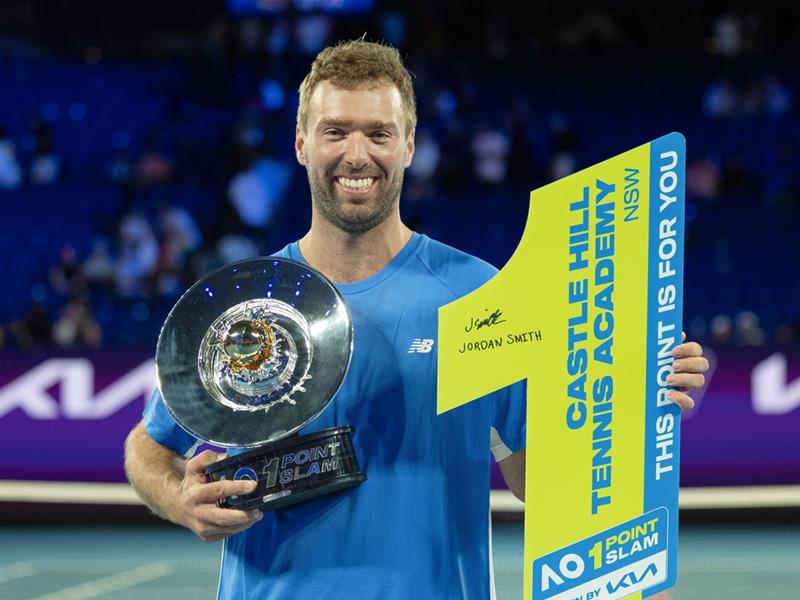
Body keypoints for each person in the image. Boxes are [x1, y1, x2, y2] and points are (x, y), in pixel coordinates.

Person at [124, 40, 708, 599]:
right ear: (301, 143)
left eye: (379, 133)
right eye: (335, 131)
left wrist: (635, 404)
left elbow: (540, 481)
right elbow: (148, 447)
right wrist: (181, 498)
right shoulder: (246, 306)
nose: (357, 154)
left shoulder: (483, 297)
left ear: (408, 146)